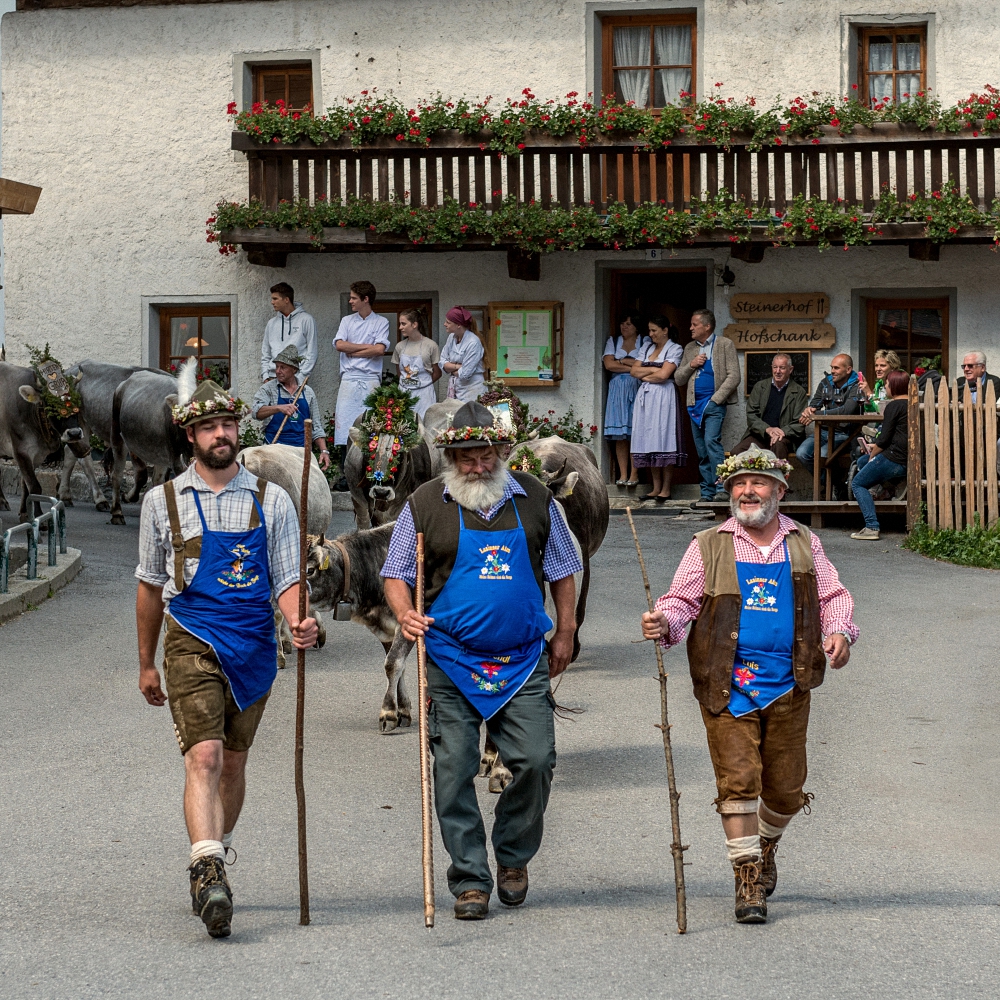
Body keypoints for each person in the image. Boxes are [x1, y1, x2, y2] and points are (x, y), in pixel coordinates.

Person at [381, 401, 583, 921]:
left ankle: (513, 856)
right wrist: (405, 614)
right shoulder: (425, 504)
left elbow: (562, 570)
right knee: (452, 770)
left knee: (537, 761)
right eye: (466, 457)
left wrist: (566, 630)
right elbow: (396, 572)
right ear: (450, 455)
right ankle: (470, 878)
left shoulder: (536, 498)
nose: (477, 466)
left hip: (522, 659)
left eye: (486, 454)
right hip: (450, 658)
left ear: (502, 451)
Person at [134, 371, 318, 939]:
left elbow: (288, 577)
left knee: (233, 764)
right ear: (190, 437)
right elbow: (147, 586)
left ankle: (213, 846)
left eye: (227, 424)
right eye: (209, 426)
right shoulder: (161, 502)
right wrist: (145, 661)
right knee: (205, 757)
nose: (220, 434)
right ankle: (209, 872)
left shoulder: (275, 500)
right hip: (190, 637)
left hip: (256, 646)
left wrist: (297, 620)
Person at [641, 445, 857, 925]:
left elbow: (833, 595)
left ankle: (765, 844)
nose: (747, 491)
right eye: (739, 483)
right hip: (727, 685)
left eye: (758, 482)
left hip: (790, 682)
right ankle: (746, 879)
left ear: (779, 490)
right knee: (738, 780)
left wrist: (839, 632)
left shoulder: (803, 541)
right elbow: (682, 600)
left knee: (785, 789)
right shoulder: (708, 543)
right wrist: (664, 622)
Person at [674, 308, 740, 503]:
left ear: (707, 326)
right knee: (701, 450)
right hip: (694, 406)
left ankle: (721, 488)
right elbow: (678, 378)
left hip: (714, 405)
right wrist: (691, 364)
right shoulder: (689, 348)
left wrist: (715, 399)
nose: (690, 328)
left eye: (695, 324)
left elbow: (734, 376)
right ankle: (707, 493)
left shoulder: (725, 345)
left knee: (712, 443)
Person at [629, 316, 685, 503]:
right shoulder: (646, 348)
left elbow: (664, 375)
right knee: (648, 437)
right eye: (650, 330)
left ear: (665, 330)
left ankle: (666, 489)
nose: (651, 334)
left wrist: (647, 373)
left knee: (664, 436)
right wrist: (654, 371)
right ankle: (655, 487)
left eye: (654, 330)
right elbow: (633, 371)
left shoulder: (674, 348)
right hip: (645, 396)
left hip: (664, 396)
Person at [850, 370, 910, 540]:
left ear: (895, 386)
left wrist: (872, 456)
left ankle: (871, 526)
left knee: (858, 483)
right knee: (861, 461)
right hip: (906, 458)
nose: (885, 387)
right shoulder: (912, 404)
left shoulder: (893, 406)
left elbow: (883, 440)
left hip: (894, 458)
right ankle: (882, 489)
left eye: (887, 384)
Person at [251, 345, 331, 468]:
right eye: (276, 366)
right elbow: (256, 412)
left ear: (294, 369)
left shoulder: (307, 392)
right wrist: (278, 408)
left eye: (282, 367)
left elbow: (316, 426)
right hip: (274, 449)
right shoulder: (268, 389)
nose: (277, 371)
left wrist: (324, 451)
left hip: (301, 451)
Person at [334, 280, 390, 449]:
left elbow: (380, 350)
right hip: (349, 380)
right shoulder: (347, 321)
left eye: (353, 298)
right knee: (345, 425)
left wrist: (353, 351)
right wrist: (368, 347)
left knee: (371, 425)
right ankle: (345, 469)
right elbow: (339, 345)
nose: (350, 301)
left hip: (370, 379)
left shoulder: (381, 322)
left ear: (365, 299)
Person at [794, 354, 864, 482]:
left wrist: (817, 415)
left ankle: (833, 486)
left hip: (845, 433)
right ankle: (833, 483)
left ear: (848, 370)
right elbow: (815, 404)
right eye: (831, 367)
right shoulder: (826, 383)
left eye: (836, 368)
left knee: (822, 455)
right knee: (802, 454)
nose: (832, 371)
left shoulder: (857, 386)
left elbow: (846, 411)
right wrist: (808, 410)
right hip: (823, 431)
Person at [603, 311, 650, 486]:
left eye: (628, 324)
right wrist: (632, 364)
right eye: (623, 323)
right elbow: (609, 364)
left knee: (635, 432)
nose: (624, 326)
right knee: (620, 435)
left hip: (637, 388)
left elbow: (645, 364)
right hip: (617, 391)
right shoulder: (613, 341)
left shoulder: (644, 341)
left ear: (636, 327)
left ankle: (634, 474)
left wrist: (621, 362)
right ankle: (623, 474)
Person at [735, 353, 808, 460]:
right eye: (775, 367)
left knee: (778, 447)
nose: (777, 371)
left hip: (784, 437)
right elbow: (751, 416)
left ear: (790, 369)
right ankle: (751, 478)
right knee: (736, 453)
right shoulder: (760, 387)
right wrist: (767, 429)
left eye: (782, 368)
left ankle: (777, 477)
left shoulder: (799, 392)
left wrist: (782, 432)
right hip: (761, 435)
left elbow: (800, 422)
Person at [260, 282, 317, 382]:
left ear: (286, 299)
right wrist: (265, 376)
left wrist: (301, 377)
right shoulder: (271, 323)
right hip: (273, 377)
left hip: (296, 377)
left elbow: (312, 352)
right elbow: (265, 352)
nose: (272, 302)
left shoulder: (306, 320)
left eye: (275, 299)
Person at [391, 307, 441, 418]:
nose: (400, 327)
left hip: (424, 395)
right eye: (400, 324)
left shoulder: (430, 345)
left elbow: (437, 373)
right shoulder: (400, 347)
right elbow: (399, 372)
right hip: (404, 393)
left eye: (403, 324)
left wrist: (423, 384)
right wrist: (406, 385)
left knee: (425, 422)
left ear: (414, 325)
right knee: (403, 424)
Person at [440, 306, 486, 401]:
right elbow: (442, 362)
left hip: (472, 390)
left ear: (458, 325)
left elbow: (465, 374)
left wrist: (450, 367)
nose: (445, 324)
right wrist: (458, 366)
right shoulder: (451, 338)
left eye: (448, 322)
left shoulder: (473, 342)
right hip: (457, 388)